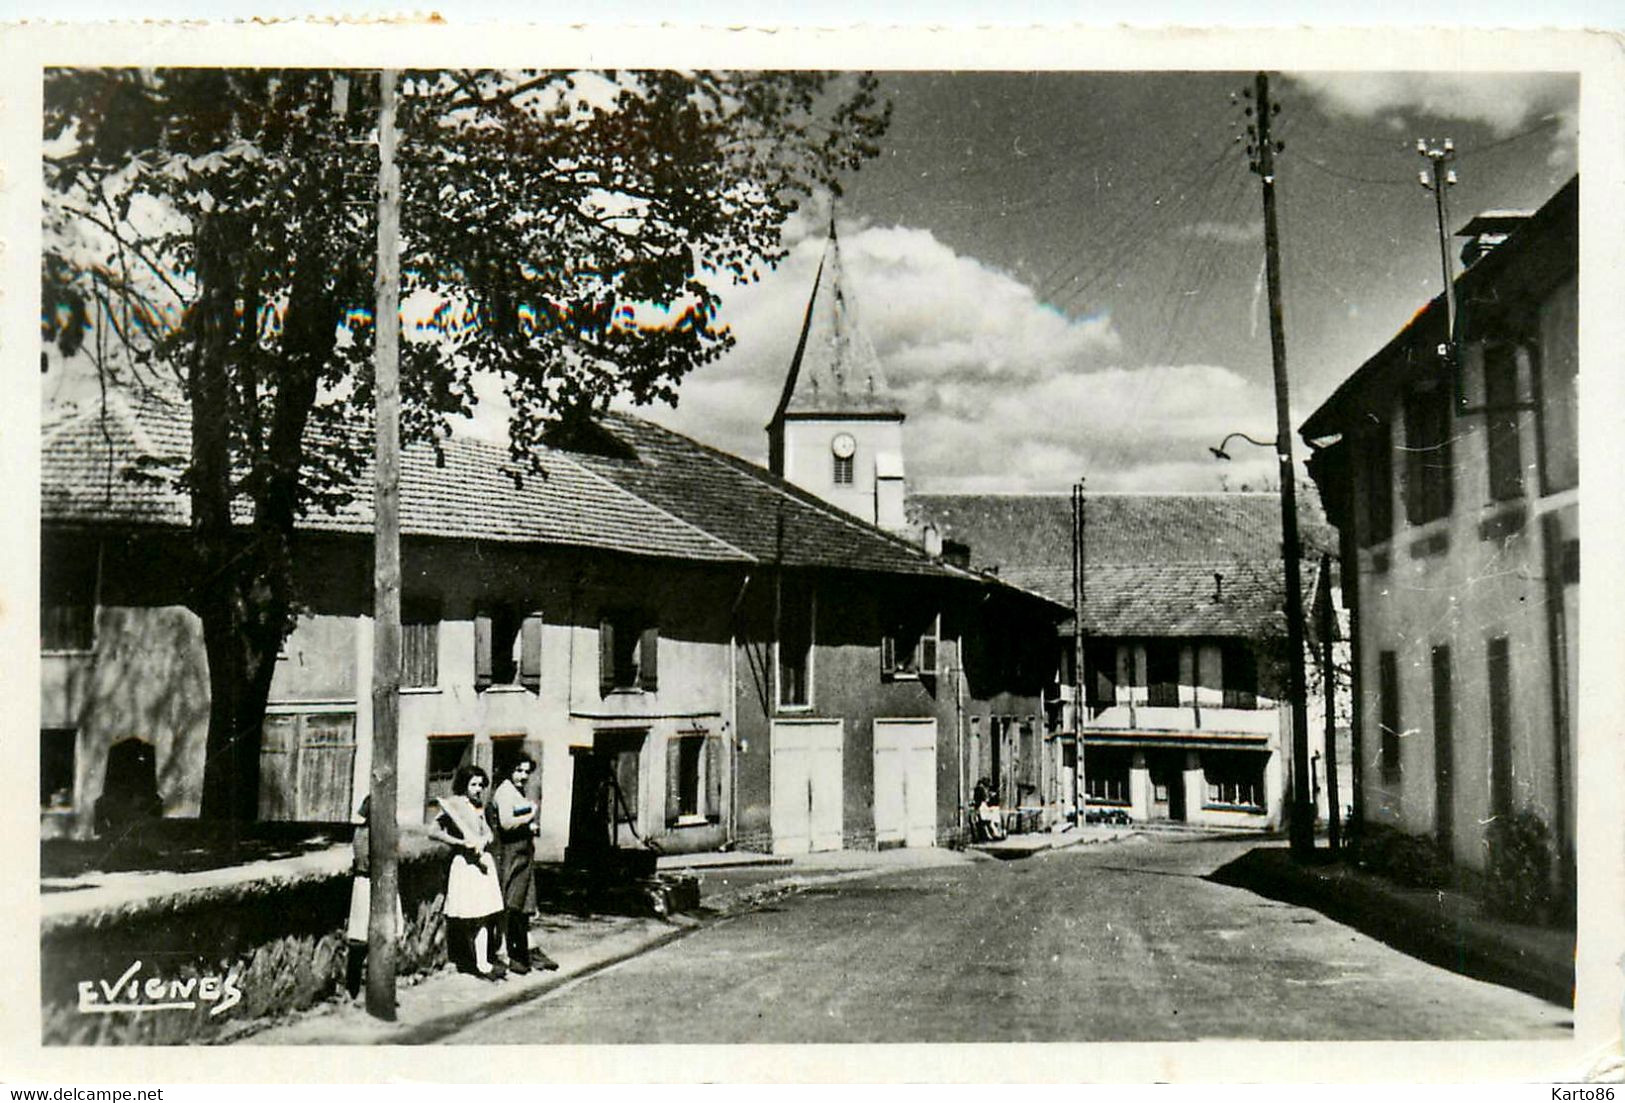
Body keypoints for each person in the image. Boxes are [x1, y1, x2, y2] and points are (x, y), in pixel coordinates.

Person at [428, 765, 506, 980]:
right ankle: (469, 960)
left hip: (482, 863)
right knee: (469, 914)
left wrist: (485, 839)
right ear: (464, 784)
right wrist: (460, 842)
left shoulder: (479, 806)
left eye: (481, 785)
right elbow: (433, 831)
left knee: (484, 915)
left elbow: (488, 832)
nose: (478, 789)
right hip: (465, 865)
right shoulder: (453, 805)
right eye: (473, 784)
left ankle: (483, 963)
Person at [487, 754, 558, 974]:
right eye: (519, 771)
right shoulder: (505, 791)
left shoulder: (516, 791)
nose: (523, 776)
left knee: (522, 904)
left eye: (527, 771)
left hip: (522, 852)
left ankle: (527, 950)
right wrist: (530, 816)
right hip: (510, 853)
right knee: (510, 903)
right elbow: (507, 823)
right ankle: (506, 954)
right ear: (510, 770)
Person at [343, 794, 405, 999]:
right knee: (362, 937)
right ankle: (354, 987)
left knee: (381, 937)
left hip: (381, 884)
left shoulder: (382, 833)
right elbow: (369, 863)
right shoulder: (364, 834)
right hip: (369, 885)